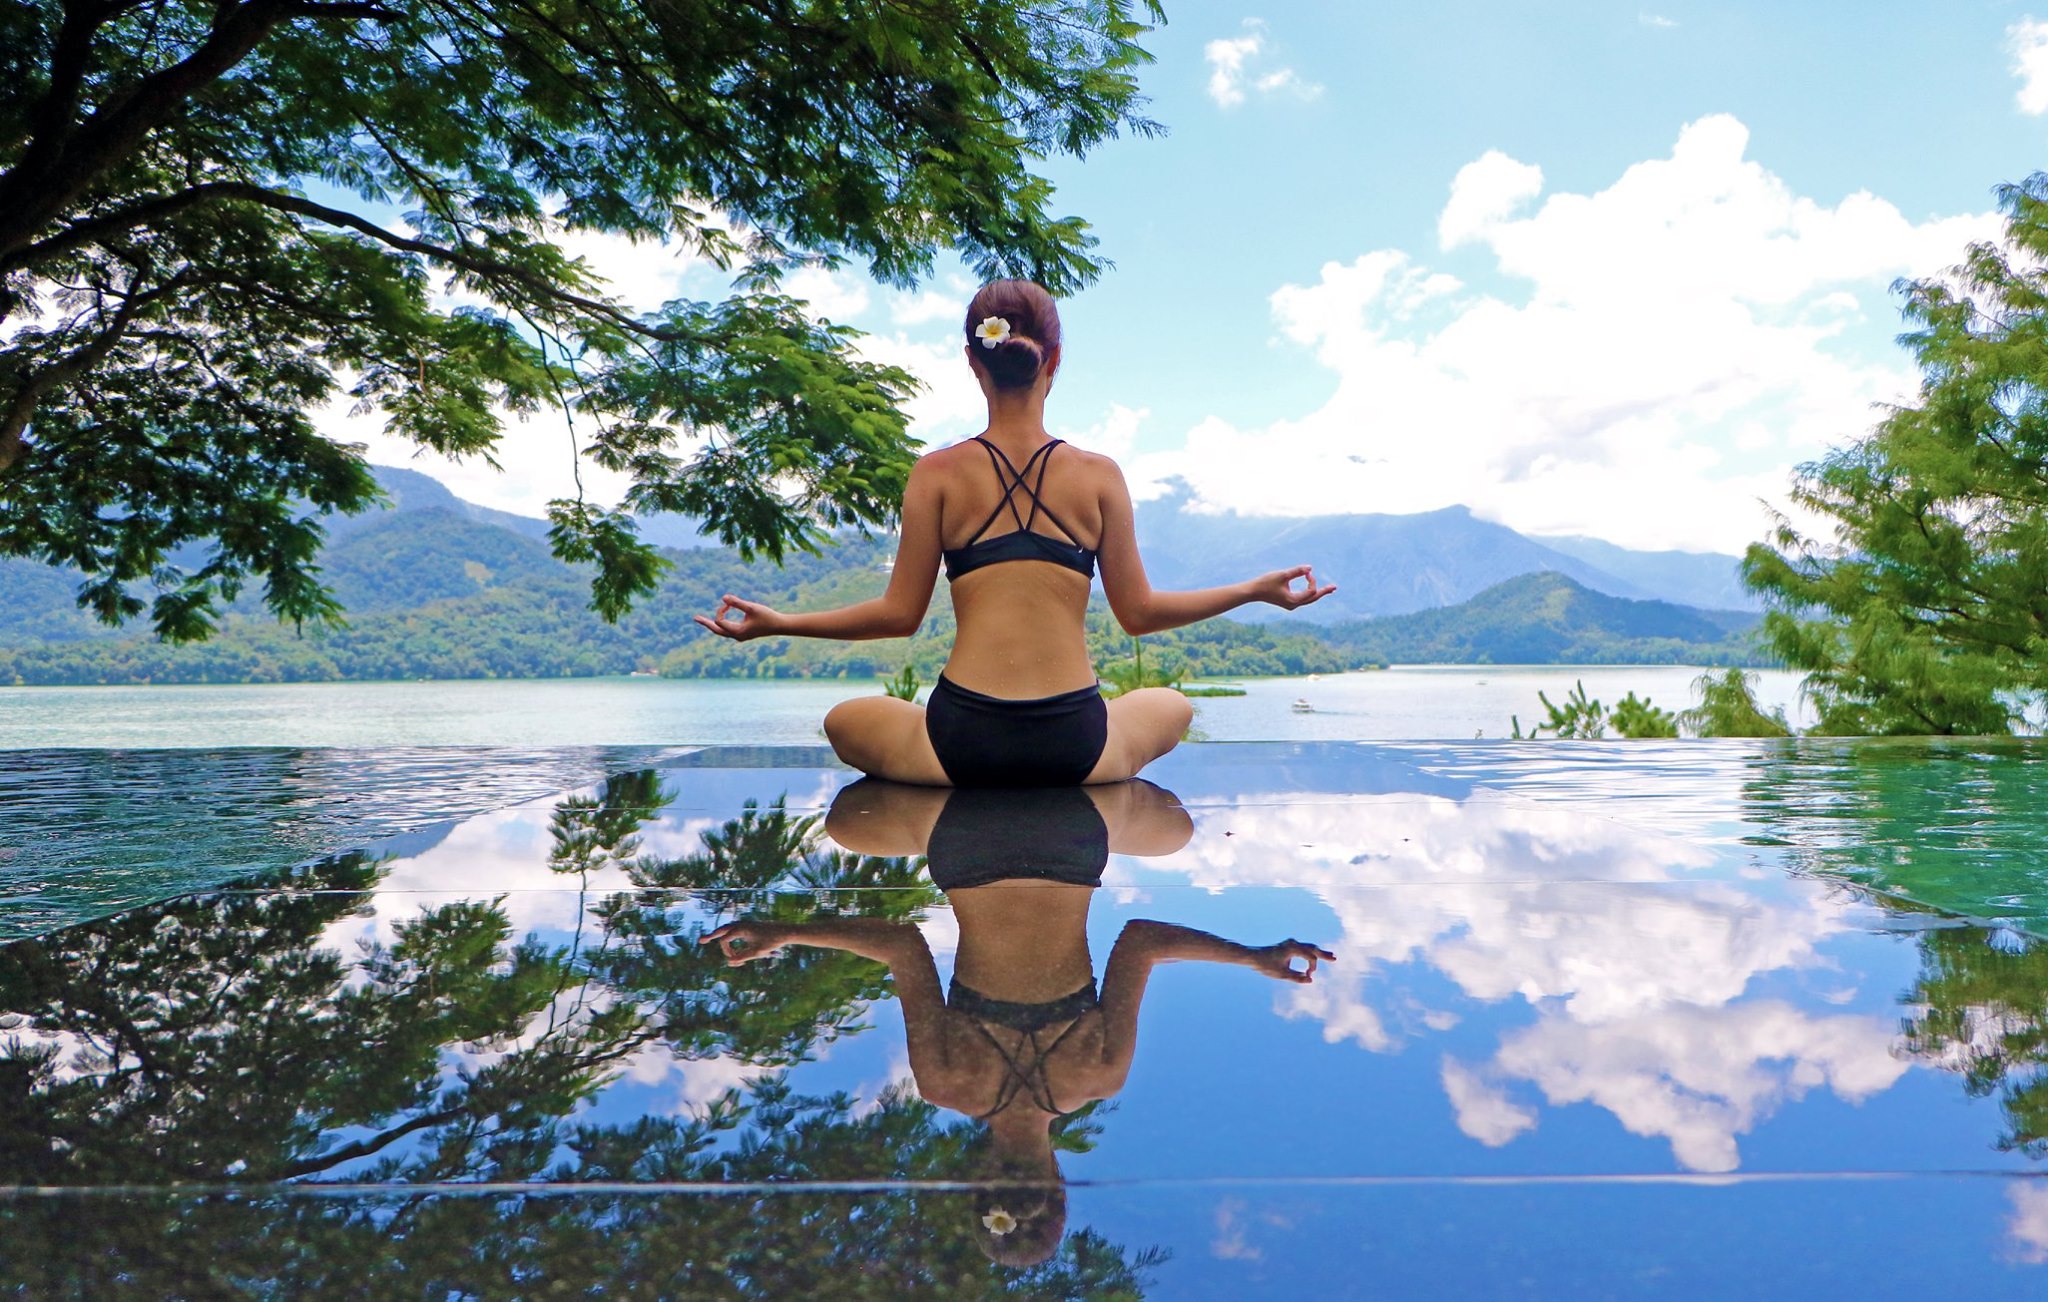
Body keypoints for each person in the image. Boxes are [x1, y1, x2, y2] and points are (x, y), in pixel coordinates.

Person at [693, 279, 1336, 786]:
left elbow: (898, 616)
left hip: (961, 744)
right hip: (1075, 745)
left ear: (975, 363)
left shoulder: (936, 474)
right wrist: (1253, 589)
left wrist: (780, 623)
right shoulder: (1100, 476)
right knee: (1171, 704)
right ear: (1054, 359)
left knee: (844, 721)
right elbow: (1139, 614)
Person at [701, 778, 1335, 1266]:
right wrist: (784, 932)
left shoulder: (1099, 1074)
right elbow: (901, 945)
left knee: (1166, 806)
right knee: (851, 804)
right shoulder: (949, 1084)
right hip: (968, 847)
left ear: (1060, 1184)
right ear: (976, 1182)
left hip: (1070, 845)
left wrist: (1252, 958)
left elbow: (1142, 939)